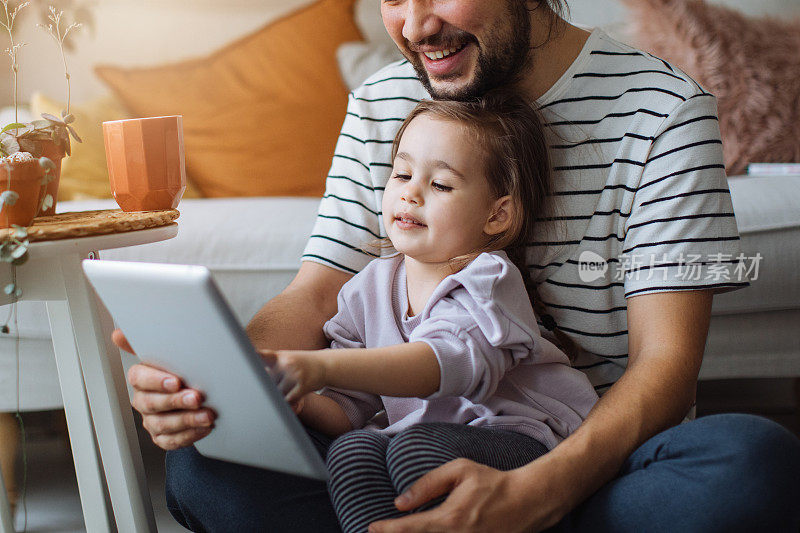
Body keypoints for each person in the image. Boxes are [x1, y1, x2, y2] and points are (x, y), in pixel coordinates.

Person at [116, 1, 800, 531]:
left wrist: (533, 495)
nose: (414, 26)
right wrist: (226, 382)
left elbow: (666, 369)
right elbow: (317, 294)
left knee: (752, 464)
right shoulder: (384, 100)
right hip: (404, 451)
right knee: (206, 461)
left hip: (583, 463)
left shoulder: (665, 109)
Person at [260, 92, 599, 533]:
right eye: (402, 174)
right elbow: (348, 408)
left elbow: (444, 364)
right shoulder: (367, 288)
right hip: (423, 440)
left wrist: (316, 365)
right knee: (351, 449)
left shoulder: (489, 278)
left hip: (525, 442)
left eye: (440, 184)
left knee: (411, 449)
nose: (411, 194)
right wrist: (292, 400)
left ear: (497, 215)